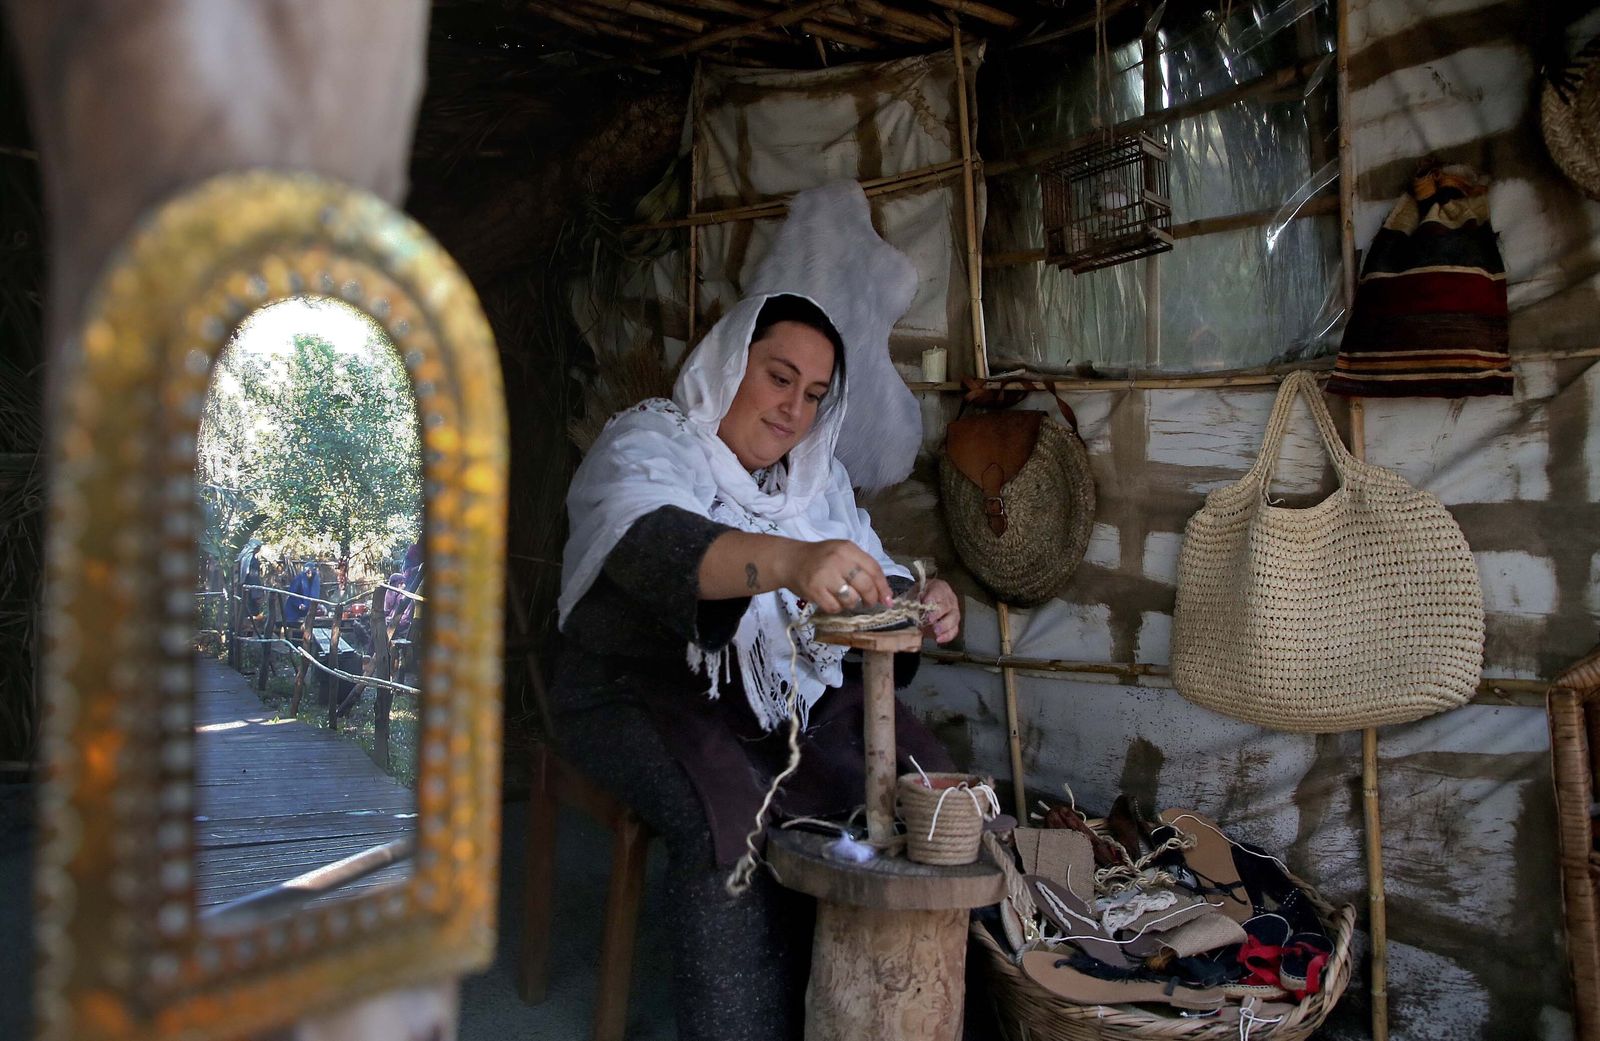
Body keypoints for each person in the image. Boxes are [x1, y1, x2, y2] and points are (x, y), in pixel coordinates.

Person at [554, 293, 962, 1041]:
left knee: (920, 785)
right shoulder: (654, 439)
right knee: (728, 823)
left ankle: (880, 1015)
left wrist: (917, 600)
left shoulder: (815, 482)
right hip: (639, 689)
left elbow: (861, 572)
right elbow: (648, 542)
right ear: (730, 364)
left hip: (774, 702)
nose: (793, 411)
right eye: (778, 377)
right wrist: (786, 560)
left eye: (813, 394)